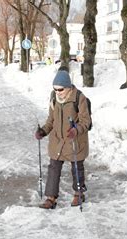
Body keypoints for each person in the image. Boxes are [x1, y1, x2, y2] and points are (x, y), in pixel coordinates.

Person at [34, 70, 91, 209]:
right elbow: (51, 120)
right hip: (58, 141)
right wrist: (43, 131)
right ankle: (51, 198)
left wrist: (75, 130)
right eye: (55, 89)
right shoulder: (54, 97)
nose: (58, 92)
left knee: (77, 168)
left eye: (60, 89)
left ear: (68, 87)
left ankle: (79, 193)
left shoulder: (79, 98)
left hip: (74, 140)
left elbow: (86, 121)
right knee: (54, 168)